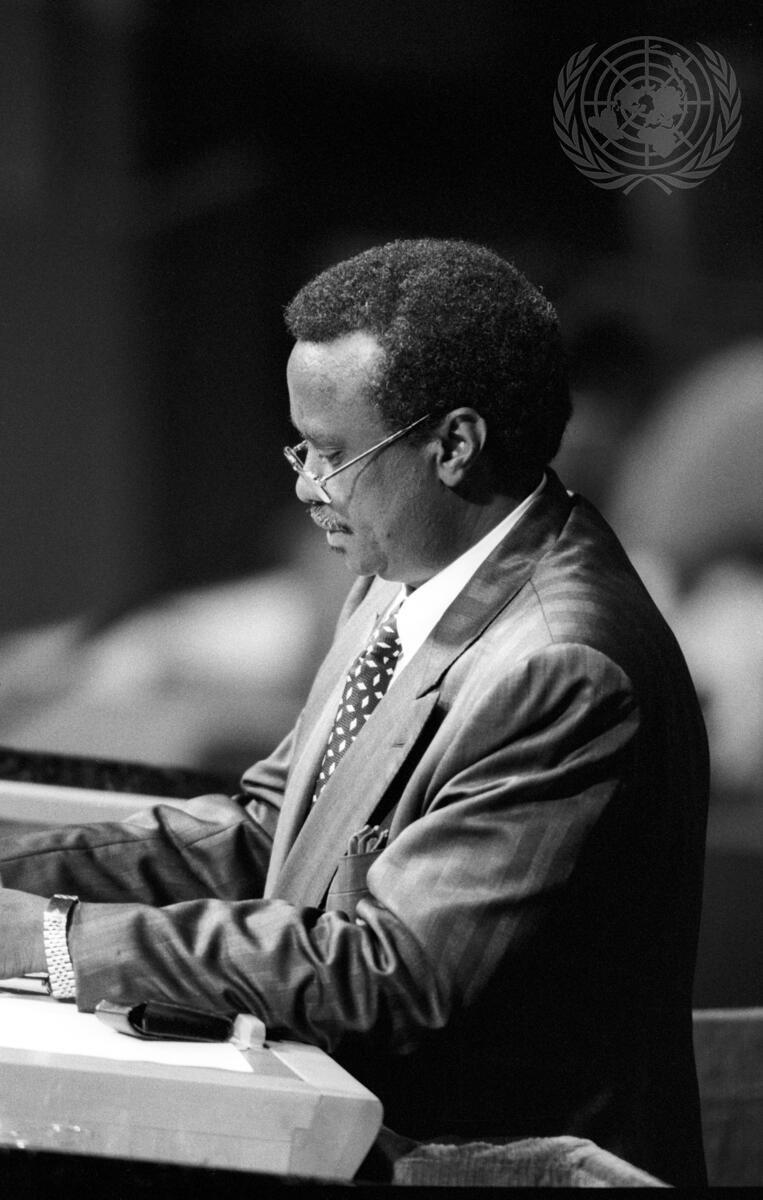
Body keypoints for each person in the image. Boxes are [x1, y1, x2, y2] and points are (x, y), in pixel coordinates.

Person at [0, 239, 708, 1185]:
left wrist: (51, 939)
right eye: (300, 448)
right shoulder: (400, 577)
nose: (304, 484)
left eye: (331, 454)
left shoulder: (561, 666)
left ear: (452, 446)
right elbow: (269, 835)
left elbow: (390, 971)